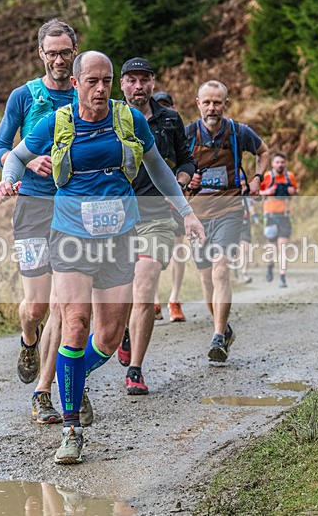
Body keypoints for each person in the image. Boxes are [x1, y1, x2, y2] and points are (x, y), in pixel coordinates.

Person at [0, 51, 204, 464]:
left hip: (119, 238)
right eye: (92, 81)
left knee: (108, 338)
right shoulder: (57, 122)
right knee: (75, 323)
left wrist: (187, 212)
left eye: (106, 81)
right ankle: (71, 430)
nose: (100, 89)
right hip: (71, 236)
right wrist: (8, 180)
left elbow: (158, 167)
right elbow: (16, 155)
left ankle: (72, 376)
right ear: (75, 83)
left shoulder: (129, 119)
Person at [0, 19, 79, 425]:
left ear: (75, 52)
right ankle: (29, 339)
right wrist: (24, 165)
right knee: (37, 306)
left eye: (65, 52)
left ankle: (46, 391)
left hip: (73, 208)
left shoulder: (85, 93)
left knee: (63, 303)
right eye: (52, 53)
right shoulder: (24, 96)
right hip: (32, 206)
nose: (59, 60)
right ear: (41, 54)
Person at [117, 57, 196, 395]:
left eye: (144, 80)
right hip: (116, 218)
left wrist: (181, 182)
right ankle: (123, 330)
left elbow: (187, 159)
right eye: (132, 80)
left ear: (153, 82)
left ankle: (135, 369)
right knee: (120, 293)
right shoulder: (109, 116)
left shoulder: (170, 118)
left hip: (157, 217)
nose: (139, 86)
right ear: (122, 83)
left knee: (145, 286)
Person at [186, 80, 269, 362]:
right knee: (206, 279)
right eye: (207, 102)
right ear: (198, 104)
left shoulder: (238, 132)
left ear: (225, 104)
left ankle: (218, 337)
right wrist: (184, 177)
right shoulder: (187, 135)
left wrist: (257, 179)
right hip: (197, 216)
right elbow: (168, 165)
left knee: (221, 270)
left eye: (217, 102)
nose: (212, 108)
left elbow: (264, 151)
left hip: (229, 211)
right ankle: (223, 328)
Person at [151, 91, 188, 322]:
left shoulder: (176, 125)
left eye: (166, 105)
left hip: (174, 196)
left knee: (177, 248)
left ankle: (175, 299)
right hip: (150, 198)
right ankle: (154, 300)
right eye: (160, 105)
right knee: (152, 250)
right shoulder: (142, 126)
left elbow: (186, 159)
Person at [260, 152, 299, 288]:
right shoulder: (267, 176)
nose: (280, 165)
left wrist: (293, 192)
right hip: (270, 216)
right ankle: (270, 265)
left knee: (283, 246)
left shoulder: (290, 177)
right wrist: (267, 192)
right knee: (272, 248)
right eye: (277, 162)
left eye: (282, 162)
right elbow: (257, 193)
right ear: (272, 164)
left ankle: (282, 277)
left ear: (285, 163)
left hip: (285, 216)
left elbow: (295, 191)